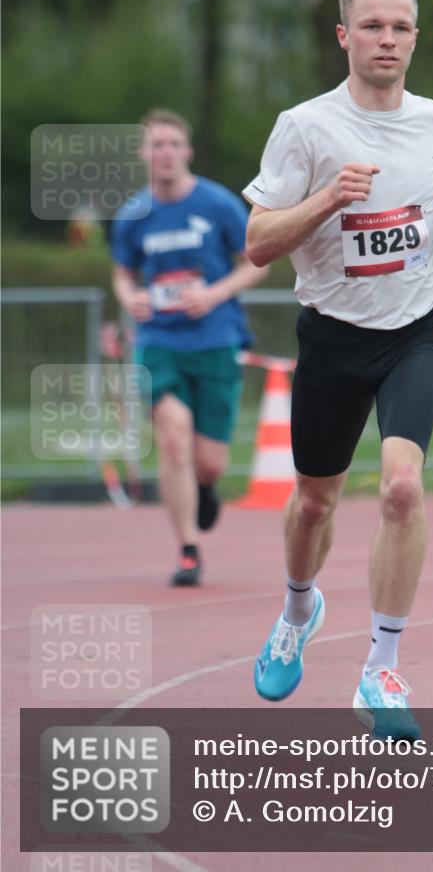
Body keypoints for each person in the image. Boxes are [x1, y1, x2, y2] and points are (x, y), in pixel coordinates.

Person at [243, 0, 433, 739]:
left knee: (400, 491)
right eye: (373, 26)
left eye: (401, 27)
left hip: (415, 332)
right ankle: (296, 611)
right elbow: (256, 244)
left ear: (416, 38)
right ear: (345, 35)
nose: (387, 39)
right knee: (314, 501)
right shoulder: (305, 127)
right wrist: (327, 199)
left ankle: (380, 666)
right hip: (330, 336)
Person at [112, 108, 268, 586]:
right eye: (155, 145)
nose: (164, 153)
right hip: (159, 340)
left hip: (216, 338)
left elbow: (257, 262)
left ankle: (206, 485)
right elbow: (122, 273)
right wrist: (131, 297)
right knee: (172, 439)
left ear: (187, 151)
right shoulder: (133, 215)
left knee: (208, 460)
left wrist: (214, 294)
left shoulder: (218, 204)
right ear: (144, 154)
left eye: (172, 144)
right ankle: (187, 548)